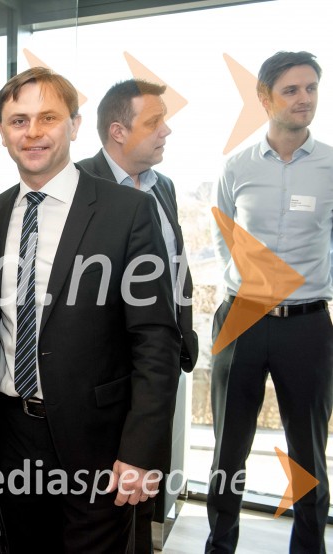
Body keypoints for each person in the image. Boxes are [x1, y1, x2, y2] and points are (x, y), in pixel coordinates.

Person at [0, 67, 180, 552]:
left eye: (47, 117)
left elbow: (155, 339)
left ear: (73, 124)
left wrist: (139, 453)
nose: (32, 132)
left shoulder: (126, 210)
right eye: (18, 120)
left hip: (99, 442)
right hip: (13, 434)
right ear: (3, 133)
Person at [207, 51, 332, 554]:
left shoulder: (330, 166)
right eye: (291, 90)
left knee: (309, 454)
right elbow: (223, 240)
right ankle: (220, 546)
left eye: (311, 88)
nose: (304, 99)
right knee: (227, 451)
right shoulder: (235, 167)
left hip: (307, 325)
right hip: (242, 318)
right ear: (265, 99)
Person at [78, 78, 198, 552]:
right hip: (105, 376)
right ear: (118, 131)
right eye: (154, 122)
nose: (166, 130)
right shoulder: (80, 185)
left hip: (156, 367)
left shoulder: (163, 188)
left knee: (145, 492)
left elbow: (175, 266)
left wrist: (182, 336)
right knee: (106, 503)